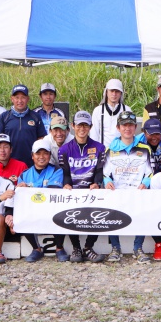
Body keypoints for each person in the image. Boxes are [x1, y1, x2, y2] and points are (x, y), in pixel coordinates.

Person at [103, 110, 154, 264]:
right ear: (118, 128)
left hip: (138, 192)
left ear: (135, 128)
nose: (128, 128)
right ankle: (115, 248)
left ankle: (138, 248)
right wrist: (107, 182)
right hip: (117, 193)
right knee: (111, 215)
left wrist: (145, 184)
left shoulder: (145, 148)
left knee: (143, 215)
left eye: (131, 125)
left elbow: (150, 172)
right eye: (124, 125)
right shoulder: (110, 150)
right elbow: (105, 174)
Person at [58, 110, 106, 263]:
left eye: (85, 125)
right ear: (73, 126)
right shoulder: (64, 150)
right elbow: (65, 172)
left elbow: (99, 170)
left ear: (90, 127)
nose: (82, 129)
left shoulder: (99, 148)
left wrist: (97, 184)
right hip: (73, 190)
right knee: (70, 216)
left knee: (99, 216)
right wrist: (66, 184)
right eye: (79, 125)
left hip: (92, 190)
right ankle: (76, 248)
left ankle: (88, 248)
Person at [16, 140, 66, 263]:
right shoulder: (24, 175)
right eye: (38, 154)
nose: (42, 157)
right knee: (21, 216)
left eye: (45, 153)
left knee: (60, 212)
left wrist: (30, 190)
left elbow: (52, 191)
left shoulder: (57, 170)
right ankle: (36, 249)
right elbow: (20, 198)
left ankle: (59, 248)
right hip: (32, 210)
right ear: (32, 156)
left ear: (50, 155)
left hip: (51, 208)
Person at [0, 84, 46, 168]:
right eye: (17, 97)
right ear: (12, 99)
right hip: (10, 164)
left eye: (23, 97)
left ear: (27, 99)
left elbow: (41, 138)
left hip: (31, 163)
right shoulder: (4, 116)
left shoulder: (35, 116)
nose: (20, 101)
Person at [0, 133, 28, 240]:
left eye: (6, 147)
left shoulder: (21, 165)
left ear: (11, 149)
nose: (2, 150)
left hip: (15, 208)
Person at [90, 78, 131, 146]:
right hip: (103, 151)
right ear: (106, 92)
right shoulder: (98, 111)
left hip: (122, 151)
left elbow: (131, 133)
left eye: (117, 91)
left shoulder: (127, 110)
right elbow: (94, 134)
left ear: (121, 93)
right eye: (112, 91)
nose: (114, 94)